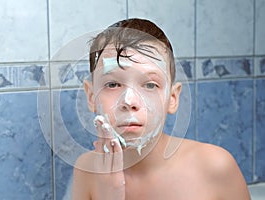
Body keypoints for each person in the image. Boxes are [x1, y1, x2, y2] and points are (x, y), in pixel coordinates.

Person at [71, 18, 251, 200]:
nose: (129, 101)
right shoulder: (87, 169)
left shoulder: (215, 166)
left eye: (150, 85)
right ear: (91, 97)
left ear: (172, 98)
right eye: (112, 84)